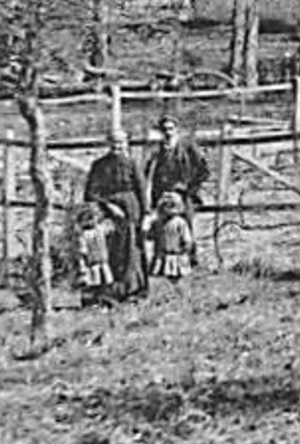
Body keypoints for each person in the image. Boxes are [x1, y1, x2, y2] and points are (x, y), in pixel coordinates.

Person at [82, 129, 149, 303]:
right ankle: (110, 293)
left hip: (131, 211)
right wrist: (108, 205)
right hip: (107, 214)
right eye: (113, 142)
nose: (117, 146)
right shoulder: (99, 165)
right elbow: (90, 192)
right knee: (111, 251)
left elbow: (141, 191)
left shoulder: (133, 164)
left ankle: (133, 291)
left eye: (120, 143)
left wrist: (146, 214)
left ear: (126, 144)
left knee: (132, 251)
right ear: (108, 144)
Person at [146, 114, 210, 257]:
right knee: (162, 227)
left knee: (185, 225)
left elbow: (203, 171)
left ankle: (191, 259)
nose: (168, 132)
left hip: (183, 193)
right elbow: (150, 172)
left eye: (171, 129)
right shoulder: (159, 150)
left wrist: (190, 189)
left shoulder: (187, 147)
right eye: (164, 129)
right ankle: (163, 261)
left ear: (177, 129)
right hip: (162, 193)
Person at [151, 191, 195, 281]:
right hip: (164, 255)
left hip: (177, 254)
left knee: (177, 278)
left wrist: (185, 249)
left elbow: (187, 239)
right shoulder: (159, 223)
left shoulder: (180, 222)